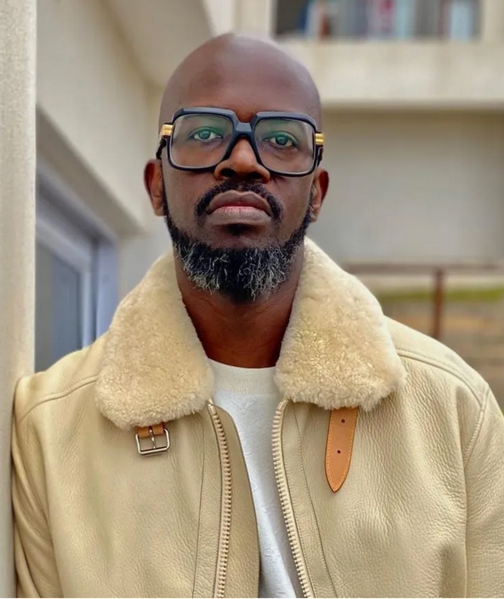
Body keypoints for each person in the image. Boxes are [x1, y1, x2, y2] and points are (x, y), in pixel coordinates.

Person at [12, 34, 504, 598]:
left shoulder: (454, 409)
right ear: (156, 185)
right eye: (203, 133)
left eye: (281, 139)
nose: (242, 161)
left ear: (316, 193)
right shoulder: (51, 431)